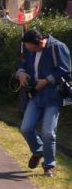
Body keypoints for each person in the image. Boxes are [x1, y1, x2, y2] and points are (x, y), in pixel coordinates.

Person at [16, 29, 70, 177]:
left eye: (29, 46)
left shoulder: (58, 47)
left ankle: (49, 166)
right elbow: (23, 64)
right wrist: (20, 73)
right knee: (26, 128)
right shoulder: (31, 51)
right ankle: (38, 150)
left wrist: (46, 81)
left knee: (48, 132)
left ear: (39, 43)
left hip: (53, 97)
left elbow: (66, 70)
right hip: (35, 96)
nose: (27, 49)